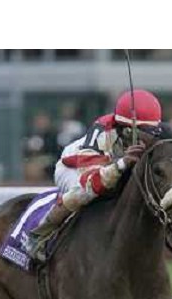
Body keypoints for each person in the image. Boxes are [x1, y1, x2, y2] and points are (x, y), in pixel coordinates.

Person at [25, 89, 163, 262]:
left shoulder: (146, 130)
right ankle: (39, 235)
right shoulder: (101, 137)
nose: (152, 138)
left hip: (109, 164)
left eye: (155, 132)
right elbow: (92, 182)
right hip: (76, 167)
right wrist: (122, 164)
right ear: (128, 130)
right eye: (147, 132)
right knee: (84, 193)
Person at [22, 111, 60, 183]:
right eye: (38, 121)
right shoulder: (30, 135)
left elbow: (55, 155)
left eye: (43, 121)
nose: (40, 123)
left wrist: (42, 161)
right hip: (31, 162)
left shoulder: (53, 137)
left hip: (49, 164)